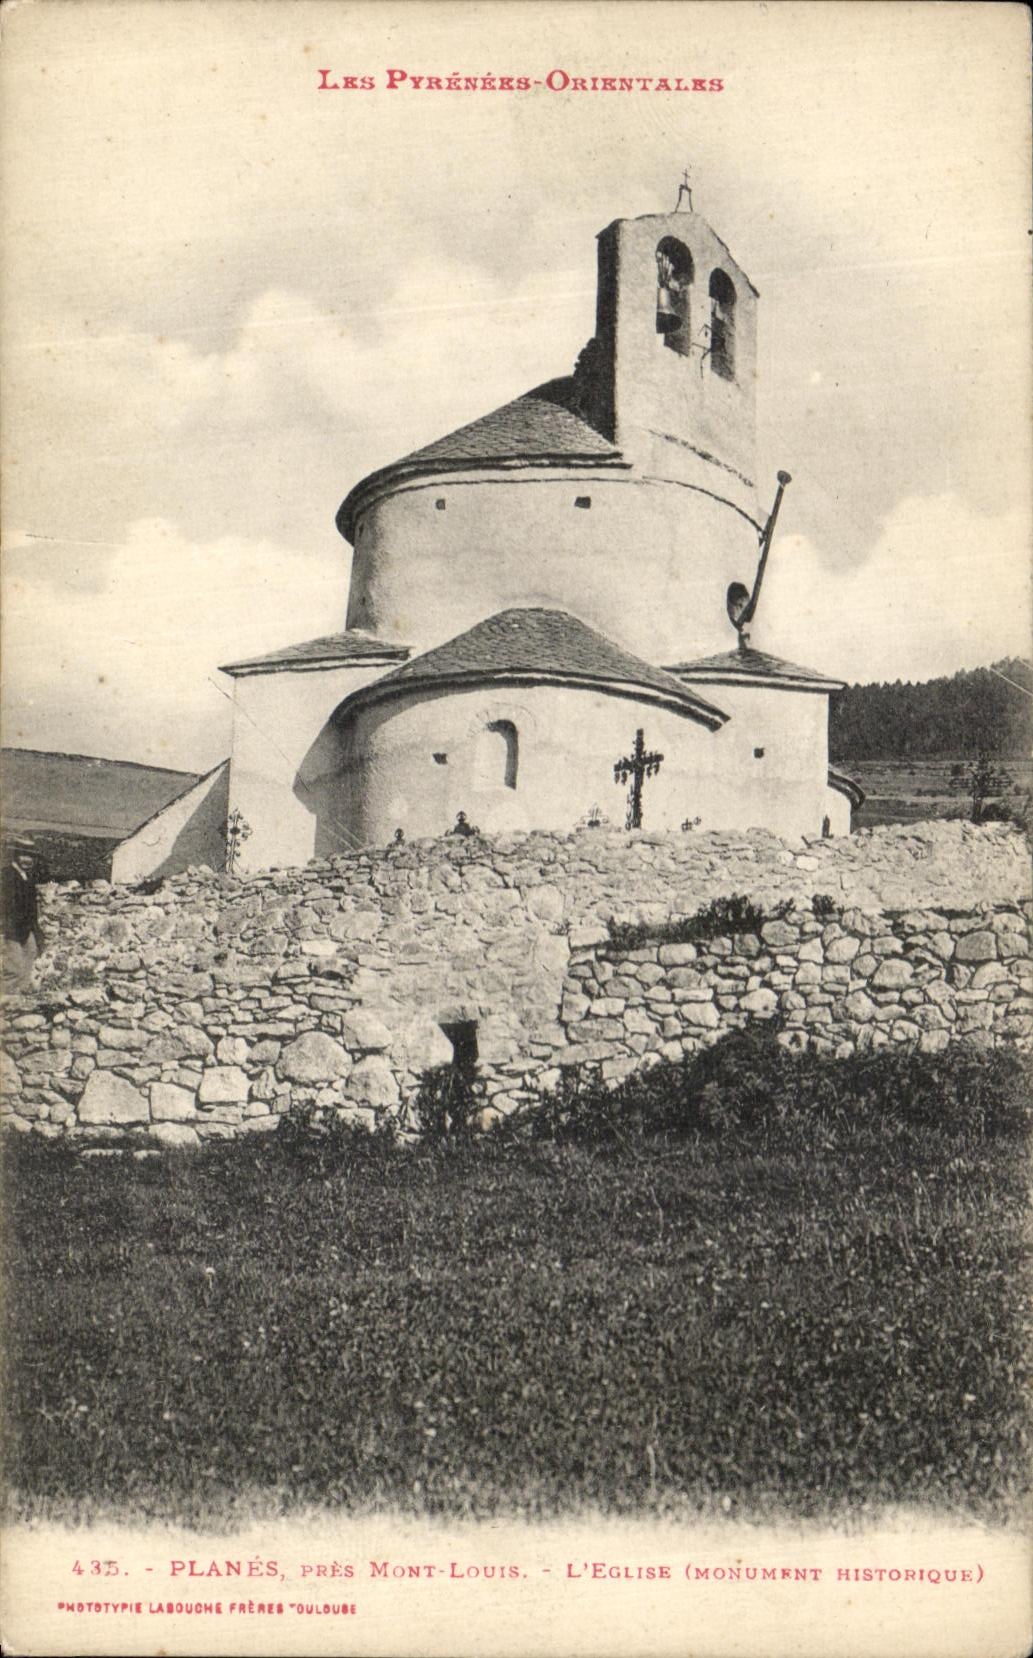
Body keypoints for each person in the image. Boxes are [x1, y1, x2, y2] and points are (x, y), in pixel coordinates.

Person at [2, 837, 44, 994]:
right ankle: (6, 1005)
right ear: (16, 856)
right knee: (13, 969)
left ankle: (20, 1004)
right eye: (24, 855)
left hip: (26, 929)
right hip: (11, 930)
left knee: (28, 962)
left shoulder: (27, 877)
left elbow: (31, 907)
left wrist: (36, 930)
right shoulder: (6, 875)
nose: (28, 860)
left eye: (31, 856)